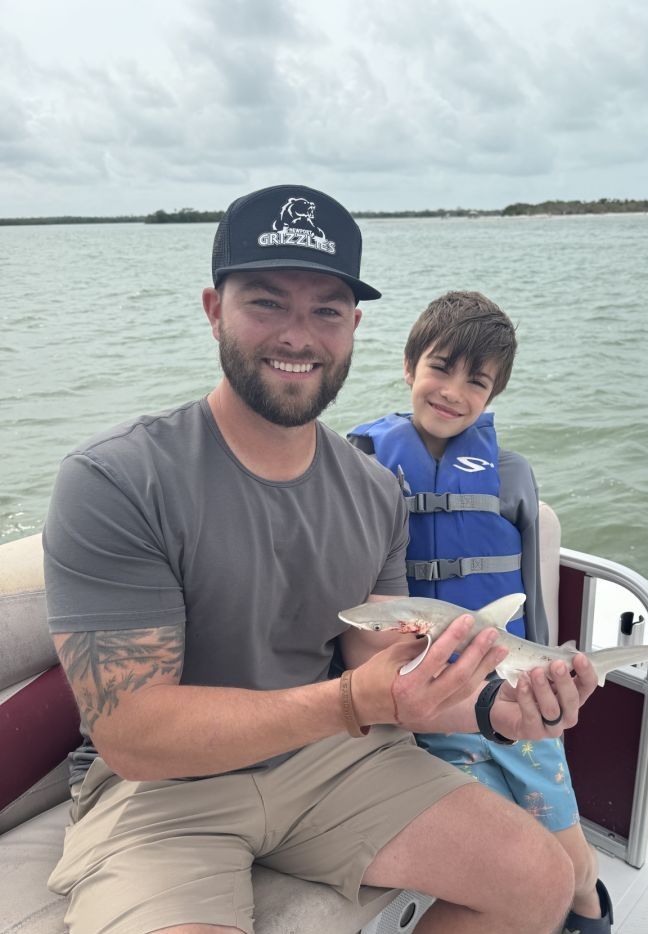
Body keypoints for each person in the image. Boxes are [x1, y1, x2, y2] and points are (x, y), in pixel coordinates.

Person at [42, 183, 598, 934]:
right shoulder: (118, 479)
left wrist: (497, 709)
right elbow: (132, 733)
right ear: (214, 311)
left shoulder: (375, 492)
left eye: (326, 310)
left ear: (356, 326)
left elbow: (381, 658)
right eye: (267, 303)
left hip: (332, 759)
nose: (298, 336)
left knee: (542, 880)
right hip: (164, 792)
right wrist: (348, 703)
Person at [348, 291, 613, 934]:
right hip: (430, 699)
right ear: (409, 366)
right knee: (506, 842)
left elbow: (531, 590)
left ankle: (588, 913)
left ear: (493, 395)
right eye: (440, 367)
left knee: (569, 852)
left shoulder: (512, 474)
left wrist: (551, 676)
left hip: (514, 684)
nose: (453, 392)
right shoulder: (358, 466)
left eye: (478, 381)